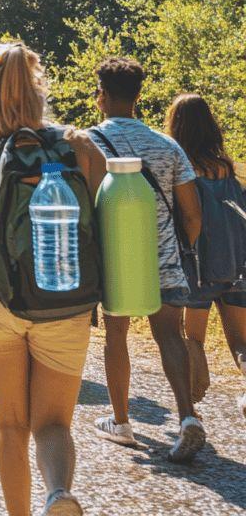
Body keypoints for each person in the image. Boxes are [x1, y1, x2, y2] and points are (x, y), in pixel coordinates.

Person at [0, 42, 105, 516]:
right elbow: (102, 230)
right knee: (54, 422)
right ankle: (58, 493)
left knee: (11, 426)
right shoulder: (81, 147)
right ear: (39, 85)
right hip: (66, 296)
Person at [86, 58, 205, 462]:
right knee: (169, 336)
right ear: (139, 96)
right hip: (166, 259)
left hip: (117, 261)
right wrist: (181, 247)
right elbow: (191, 213)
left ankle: (121, 421)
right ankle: (187, 416)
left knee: (116, 335)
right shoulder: (167, 146)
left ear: (101, 95)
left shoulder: (89, 143)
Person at [165, 93, 246, 421]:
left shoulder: (183, 171)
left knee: (192, 339)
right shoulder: (229, 168)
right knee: (241, 342)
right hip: (237, 263)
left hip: (198, 266)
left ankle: (192, 412)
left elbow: (188, 219)